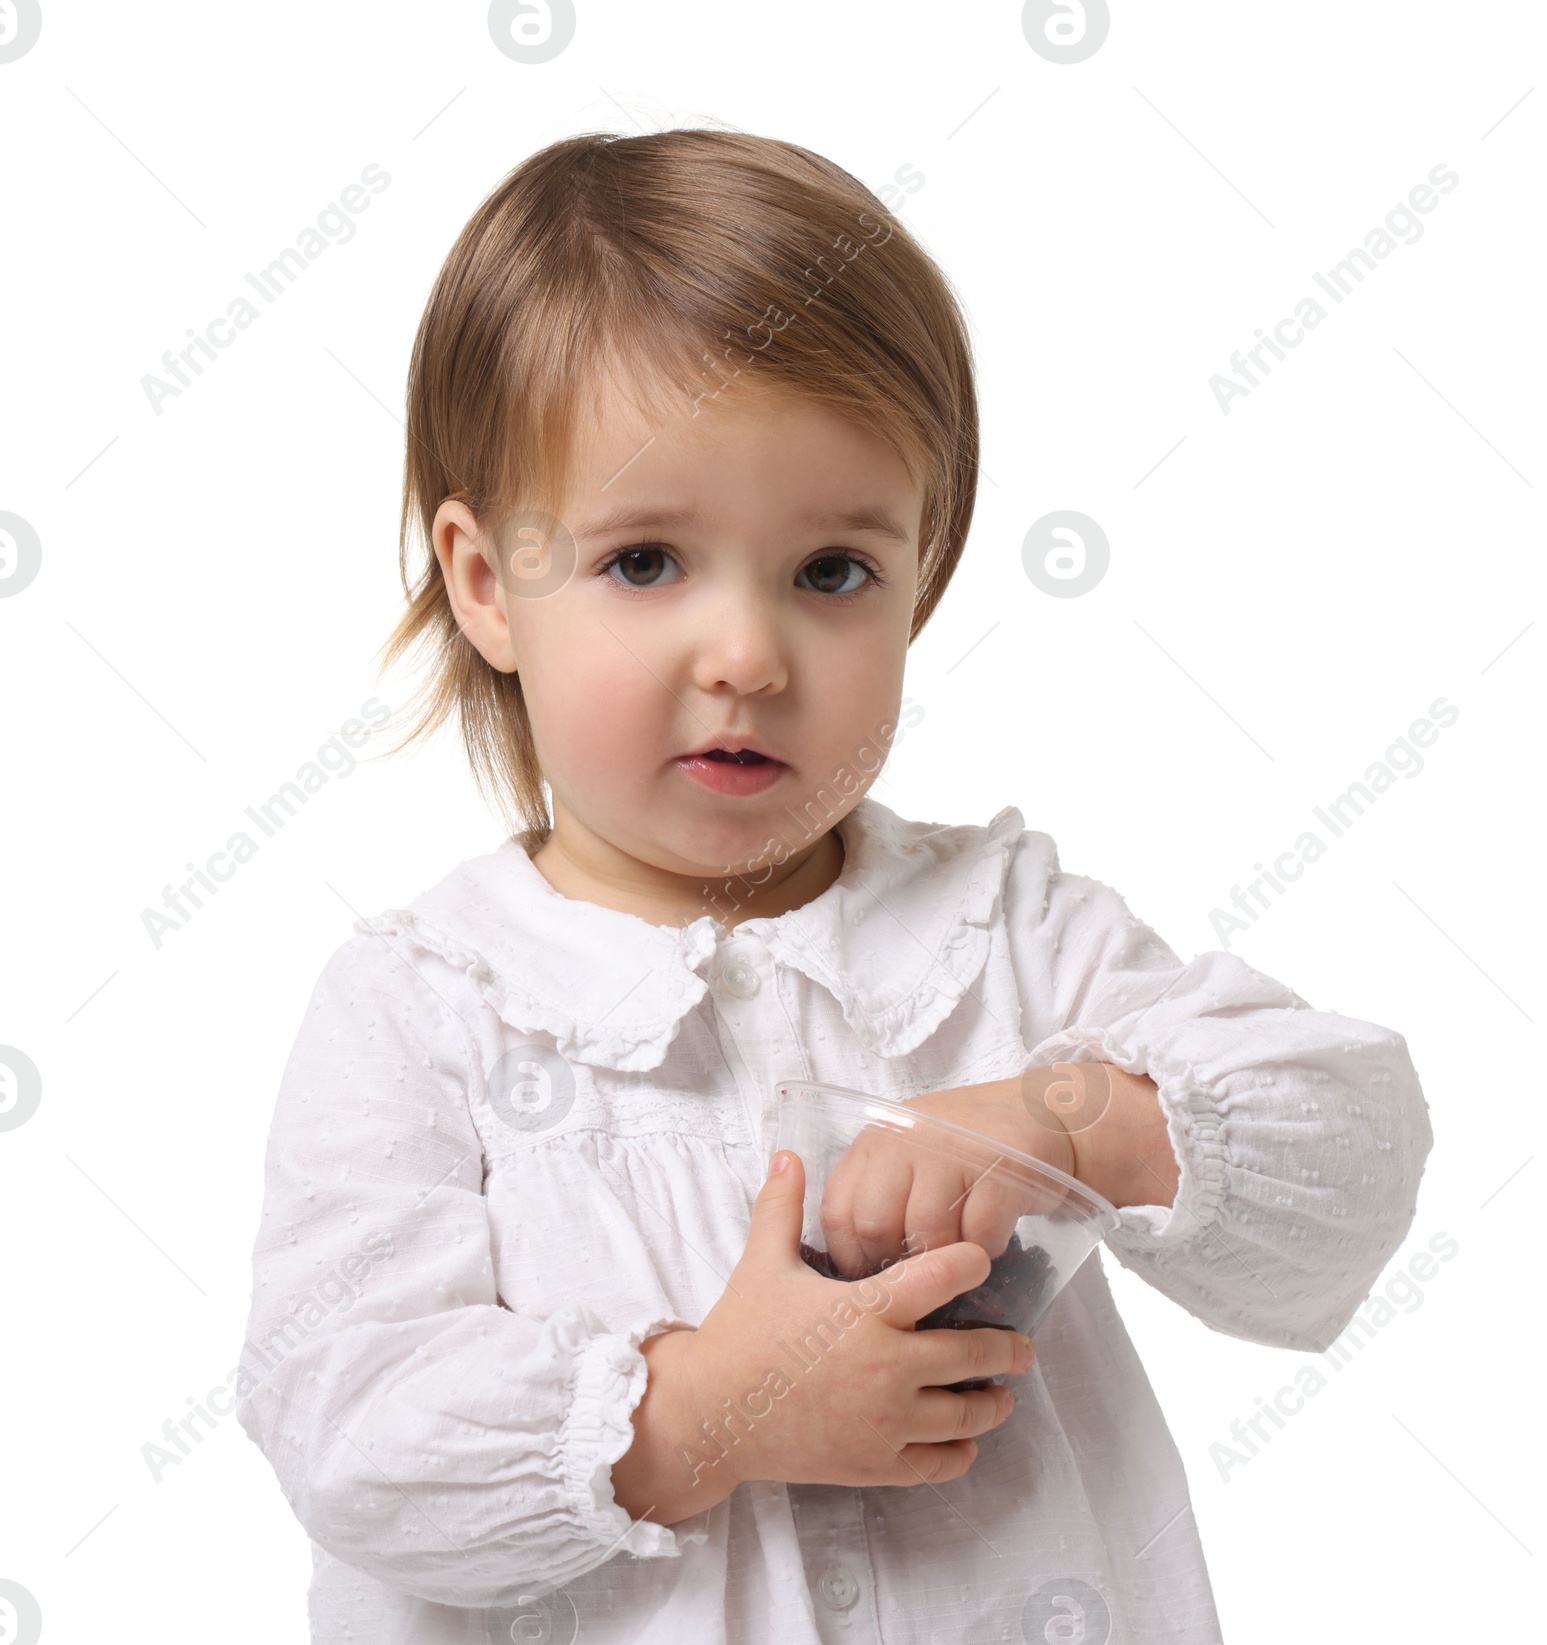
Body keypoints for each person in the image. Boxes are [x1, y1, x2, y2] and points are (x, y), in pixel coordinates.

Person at [235, 127, 1433, 1644]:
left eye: (832, 571)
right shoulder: (430, 1009)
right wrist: (705, 1411)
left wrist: (1078, 1118)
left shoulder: (1004, 939)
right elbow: (343, 1422)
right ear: (488, 582)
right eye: (648, 560)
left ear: (921, 573)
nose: (747, 653)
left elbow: (1352, 1155)